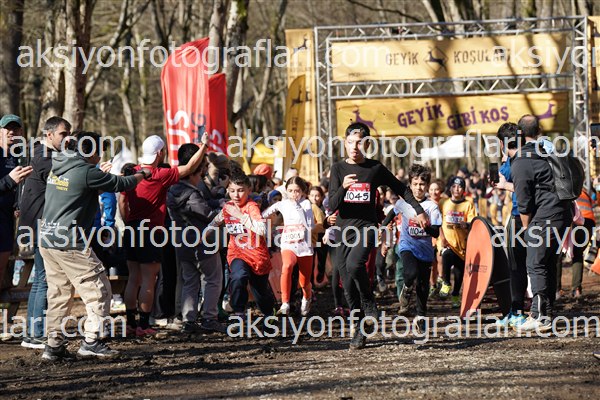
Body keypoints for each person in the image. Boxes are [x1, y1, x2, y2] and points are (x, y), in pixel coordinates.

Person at [39, 131, 149, 361]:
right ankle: (92, 341)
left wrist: (100, 176)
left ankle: (53, 345)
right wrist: (143, 174)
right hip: (69, 241)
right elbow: (121, 183)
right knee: (99, 290)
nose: (101, 157)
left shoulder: (59, 166)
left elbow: (79, 190)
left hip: (48, 239)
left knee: (59, 294)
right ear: (91, 152)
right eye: (100, 151)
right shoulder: (86, 171)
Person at [328, 122, 428, 350]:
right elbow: (332, 205)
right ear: (345, 144)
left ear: (367, 144)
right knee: (347, 285)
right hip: (344, 231)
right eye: (350, 142)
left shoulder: (375, 168)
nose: (355, 147)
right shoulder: (338, 169)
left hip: (366, 227)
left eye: (359, 143)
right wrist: (343, 188)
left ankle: (369, 301)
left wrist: (419, 210)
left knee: (355, 265)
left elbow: (401, 189)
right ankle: (359, 329)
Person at [121, 134, 208, 336]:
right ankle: (143, 325)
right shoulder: (160, 174)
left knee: (133, 278)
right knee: (149, 279)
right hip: (152, 231)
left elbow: (122, 202)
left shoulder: (131, 172)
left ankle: (131, 323)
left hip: (132, 229)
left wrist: (128, 222)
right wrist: (203, 146)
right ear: (160, 153)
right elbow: (190, 167)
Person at [511, 114, 573, 331]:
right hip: (563, 214)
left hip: (545, 217)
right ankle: (546, 312)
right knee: (547, 262)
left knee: (535, 264)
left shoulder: (521, 160)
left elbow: (524, 202)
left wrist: (526, 228)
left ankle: (540, 317)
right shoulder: (551, 150)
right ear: (539, 131)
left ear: (519, 134)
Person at [18, 116, 71, 349]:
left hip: (39, 224)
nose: (67, 139)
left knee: (41, 280)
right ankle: (37, 333)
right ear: (49, 135)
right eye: (63, 134)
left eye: (69, 134)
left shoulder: (43, 154)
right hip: (40, 225)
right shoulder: (44, 157)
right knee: (44, 280)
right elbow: (67, 178)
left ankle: (32, 333)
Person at [167, 144, 226, 334]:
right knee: (213, 279)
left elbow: (201, 206)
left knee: (190, 281)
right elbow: (208, 214)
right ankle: (209, 317)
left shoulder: (172, 190)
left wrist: (216, 201)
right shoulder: (191, 193)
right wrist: (225, 211)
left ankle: (189, 319)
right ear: (196, 171)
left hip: (182, 243)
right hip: (202, 244)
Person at [208, 173, 275, 316]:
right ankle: (238, 312)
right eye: (232, 191)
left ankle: (269, 313)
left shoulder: (251, 207)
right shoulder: (228, 206)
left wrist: (239, 215)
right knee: (238, 276)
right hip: (237, 253)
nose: (236, 195)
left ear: (249, 190)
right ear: (228, 190)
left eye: (240, 190)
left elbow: (262, 230)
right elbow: (217, 220)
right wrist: (204, 234)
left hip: (257, 256)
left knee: (261, 292)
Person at [394, 165, 442, 332]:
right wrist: (383, 226)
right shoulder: (403, 202)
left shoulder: (431, 206)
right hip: (407, 245)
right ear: (410, 184)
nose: (418, 188)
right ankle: (406, 289)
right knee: (410, 273)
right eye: (415, 184)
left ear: (427, 186)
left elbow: (436, 232)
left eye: (422, 184)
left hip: (425, 250)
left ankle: (421, 316)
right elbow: (392, 213)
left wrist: (425, 226)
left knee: (422, 284)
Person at [263, 176, 314, 316]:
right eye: (290, 191)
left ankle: (307, 298)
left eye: (297, 191)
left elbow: (310, 225)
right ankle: (285, 303)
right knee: (287, 266)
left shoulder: (306, 204)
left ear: (302, 191)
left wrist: (298, 208)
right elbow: (264, 214)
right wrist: (256, 220)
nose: (294, 194)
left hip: (304, 246)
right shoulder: (283, 204)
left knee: (304, 281)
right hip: (288, 243)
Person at [494, 122, 529, 328]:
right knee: (521, 266)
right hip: (525, 216)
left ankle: (520, 312)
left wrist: (505, 183)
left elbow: (515, 183)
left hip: (522, 217)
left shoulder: (519, 161)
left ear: (502, 143)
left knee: (519, 267)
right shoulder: (523, 157)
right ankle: (517, 311)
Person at [0, 114, 32, 291]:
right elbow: (9, 182)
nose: (11, 132)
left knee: (2, 270)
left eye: (15, 129)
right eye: (8, 128)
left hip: (7, 221)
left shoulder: (19, 156)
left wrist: (17, 204)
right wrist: (9, 181)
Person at [439, 176, 477, 308]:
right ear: (450, 188)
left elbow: (473, 222)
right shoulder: (443, 202)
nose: (456, 189)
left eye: (460, 187)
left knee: (459, 272)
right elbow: (437, 221)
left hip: (462, 244)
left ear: (463, 189)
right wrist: (441, 238)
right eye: (454, 186)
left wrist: (466, 224)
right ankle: (446, 282)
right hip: (447, 242)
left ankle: (455, 294)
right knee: (446, 256)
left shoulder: (468, 204)